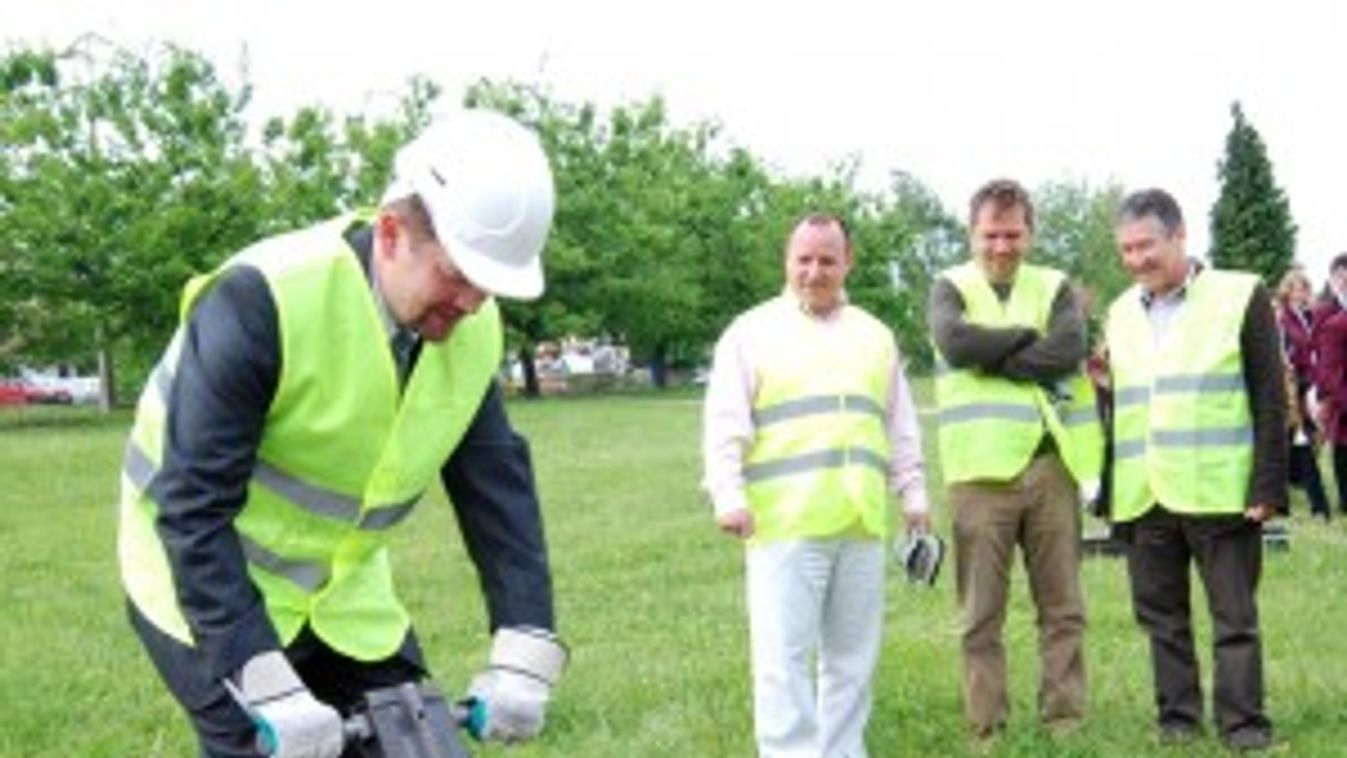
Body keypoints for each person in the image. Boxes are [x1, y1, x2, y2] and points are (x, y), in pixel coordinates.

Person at [118, 109, 567, 757]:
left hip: (341, 596)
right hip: (198, 579)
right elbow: (191, 510)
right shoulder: (261, 299)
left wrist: (525, 648)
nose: (472, 303)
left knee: (421, 745)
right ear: (390, 234)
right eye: (456, 274)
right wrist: (262, 679)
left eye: (488, 285)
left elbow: (499, 496)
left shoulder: (471, 329)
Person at [702, 212, 931, 757]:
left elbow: (899, 423)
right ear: (787, 260)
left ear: (847, 261)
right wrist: (728, 496)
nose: (814, 271)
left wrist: (914, 495)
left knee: (852, 660)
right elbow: (724, 423)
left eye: (827, 259)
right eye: (803, 259)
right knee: (784, 662)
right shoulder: (751, 333)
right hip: (785, 524)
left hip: (859, 523)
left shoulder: (875, 336)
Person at [1105, 188, 1283, 751]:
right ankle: (1178, 721)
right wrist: (1110, 492)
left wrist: (1268, 483)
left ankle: (1244, 727)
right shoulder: (1118, 312)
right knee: (1162, 620)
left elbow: (1269, 394)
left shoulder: (1240, 295)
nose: (1136, 261)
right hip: (1146, 493)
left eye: (1147, 246)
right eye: (1126, 250)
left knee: (1234, 619)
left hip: (1220, 491)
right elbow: (1122, 407)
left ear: (1180, 236)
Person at [928, 178, 1102, 742]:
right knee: (980, 615)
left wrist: (996, 353)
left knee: (1063, 607)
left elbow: (1068, 351)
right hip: (978, 474)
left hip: (1050, 465)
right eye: (990, 234)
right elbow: (955, 344)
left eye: (1012, 233)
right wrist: (1027, 340)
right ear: (971, 233)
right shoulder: (948, 285)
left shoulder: (1053, 286)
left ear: (1030, 232)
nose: (1002, 246)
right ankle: (987, 730)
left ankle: (1065, 722)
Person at [1274, 267, 1330, 519]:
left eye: (1305, 288)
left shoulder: (1312, 316)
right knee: (1299, 441)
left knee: (1307, 440)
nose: (1301, 293)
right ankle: (1319, 506)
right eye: (1296, 288)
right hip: (1291, 385)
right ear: (1287, 291)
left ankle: (1287, 497)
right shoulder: (1281, 319)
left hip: (1312, 383)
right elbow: (1281, 354)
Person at [1311, 253, 1347, 515]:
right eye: (1341, 275)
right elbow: (1324, 360)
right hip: (1339, 393)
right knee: (1341, 445)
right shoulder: (1327, 313)